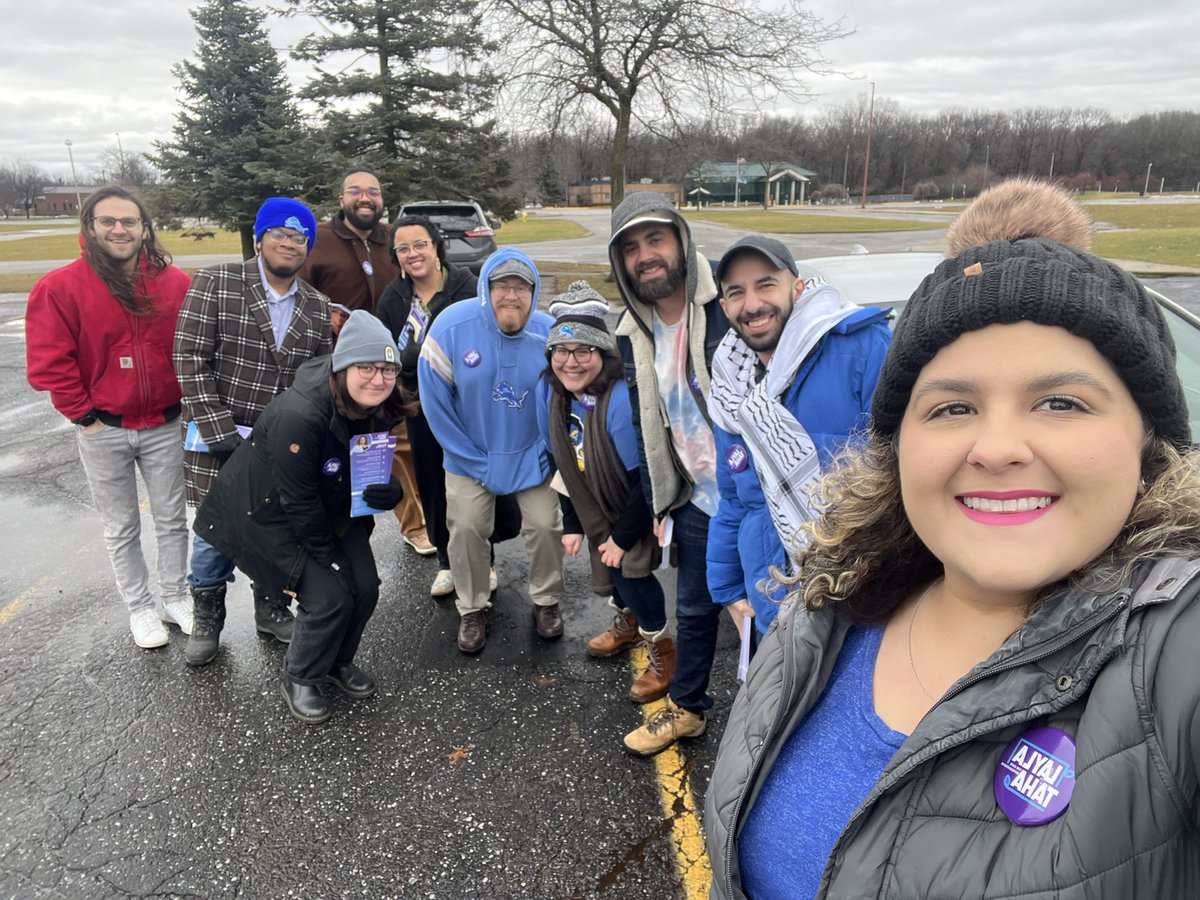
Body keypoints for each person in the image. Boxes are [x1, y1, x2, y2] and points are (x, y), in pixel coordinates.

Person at [704, 195, 1200, 897]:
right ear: (901, 444)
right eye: (953, 407)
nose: (996, 449)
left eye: (1061, 402)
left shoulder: (1178, 654)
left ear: (1148, 441)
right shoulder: (829, 602)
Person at [194, 311, 410, 724]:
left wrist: (391, 491)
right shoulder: (301, 414)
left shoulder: (379, 404)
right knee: (328, 596)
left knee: (364, 587)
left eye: (387, 369)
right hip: (265, 515)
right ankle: (300, 675)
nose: (378, 379)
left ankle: (335, 662)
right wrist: (329, 559)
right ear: (341, 366)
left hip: (327, 508)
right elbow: (298, 500)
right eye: (366, 367)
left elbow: (367, 467)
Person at [25, 186, 193, 649]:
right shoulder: (60, 287)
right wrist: (84, 417)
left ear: (144, 229)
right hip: (104, 429)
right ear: (91, 227)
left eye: (129, 221)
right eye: (109, 221)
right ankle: (140, 608)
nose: (120, 229)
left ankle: (176, 596)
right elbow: (50, 362)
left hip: (163, 424)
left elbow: (194, 347)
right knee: (122, 527)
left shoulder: (174, 283)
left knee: (173, 518)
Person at [707, 236, 891, 638]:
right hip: (773, 594)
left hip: (862, 592)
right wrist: (726, 589)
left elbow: (902, 479)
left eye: (766, 284)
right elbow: (735, 499)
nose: (752, 304)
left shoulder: (862, 349)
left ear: (798, 286)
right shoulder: (729, 387)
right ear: (724, 307)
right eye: (736, 293)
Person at [174, 197, 331, 666]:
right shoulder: (216, 282)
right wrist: (220, 430)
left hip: (280, 445)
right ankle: (207, 618)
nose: (288, 242)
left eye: (298, 236)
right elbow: (189, 358)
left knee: (276, 527)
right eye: (279, 234)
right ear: (260, 238)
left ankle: (271, 606)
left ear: (307, 247)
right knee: (212, 534)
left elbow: (319, 377)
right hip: (216, 437)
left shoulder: (317, 306)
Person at [606, 193, 727, 758]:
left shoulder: (727, 303)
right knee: (695, 610)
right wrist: (661, 499)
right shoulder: (633, 328)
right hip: (699, 499)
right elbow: (649, 422)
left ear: (681, 240)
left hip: (760, 497)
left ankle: (791, 722)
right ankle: (688, 709)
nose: (645, 255)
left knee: (784, 617)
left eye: (655, 239)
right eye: (630, 247)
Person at [418, 248, 566, 654]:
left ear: (534, 292)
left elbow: (564, 398)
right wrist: (468, 456)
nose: (511, 296)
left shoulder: (549, 332)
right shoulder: (451, 326)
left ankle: (547, 601)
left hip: (530, 455)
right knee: (465, 528)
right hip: (470, 455)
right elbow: (436, 403)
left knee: (546, 525)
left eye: (521, 287)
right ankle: (472, 606)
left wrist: (545, 451)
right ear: (487, 288)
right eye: (502, 286)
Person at [536, 282, 672, 702]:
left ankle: (664, 652)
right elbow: (561, 464)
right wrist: (574, 523)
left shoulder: (617, 403)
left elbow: (644, 482)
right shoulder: (555, 396)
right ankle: (627, 625)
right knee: (612, 577)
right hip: (595, 505)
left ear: (603, 354)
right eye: (561, 350)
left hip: (631, 506)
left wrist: (621, 538)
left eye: (583, 351)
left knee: (629, 572)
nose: (570, 362)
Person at [299, 169, 432, 558]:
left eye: (372, 192)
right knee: (335, 448)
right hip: (338, 368)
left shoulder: (393, 239)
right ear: (341, 199)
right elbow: (297, 291)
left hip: (391, 366)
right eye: (355, 191)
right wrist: (322, 316)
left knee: (399, 443)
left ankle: (415, 524)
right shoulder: (319, 242)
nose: (364, 198)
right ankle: (332, 533)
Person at [376, 214, 505, 594]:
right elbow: (388, 353)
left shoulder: (468, 287)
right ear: (395, 256)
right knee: (432, 483)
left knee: (475, 483)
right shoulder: (394, 298)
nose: (413, 254)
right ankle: (447, 562)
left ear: (436, 247)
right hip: (422, 407)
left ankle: (485, 559)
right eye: (403, 248)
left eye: (420, 244)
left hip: (470, 406)